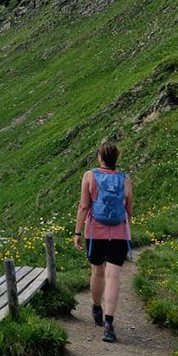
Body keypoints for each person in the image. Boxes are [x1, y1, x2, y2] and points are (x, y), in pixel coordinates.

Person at [74, 141, 133, 343]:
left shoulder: (90, 176)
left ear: (100, 157)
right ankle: (109, 324)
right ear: (116, 158)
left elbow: (83, 206)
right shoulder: (124, 179)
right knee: (113, 276)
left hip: (95, 232)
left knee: (97, 271)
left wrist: (77, 232)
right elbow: (129, 209)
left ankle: (97, 307)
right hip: (119, 233)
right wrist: (125, 228)